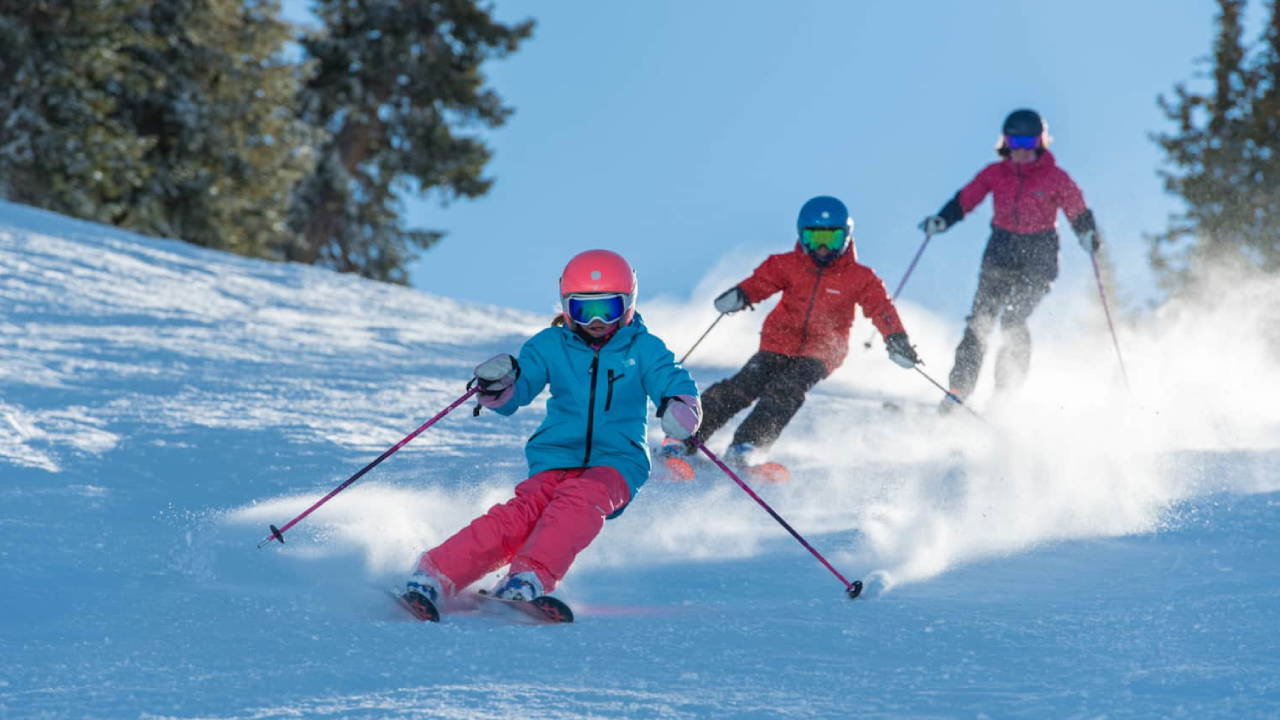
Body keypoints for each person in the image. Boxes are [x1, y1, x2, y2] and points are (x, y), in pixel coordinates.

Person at [400, 249, 701, 620]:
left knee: (580, 500)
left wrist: (681, 408)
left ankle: (528, 578)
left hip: (618, 462)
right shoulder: (549, 345)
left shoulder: (644, 348)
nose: (594, 320)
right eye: (582, 309)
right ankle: (436, 574)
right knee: (519, 516)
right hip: (556, 455)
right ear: (565, 306)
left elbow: (672, 379)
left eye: (606, 309)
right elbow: (518, 390)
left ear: (628, 306)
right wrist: (498, 385)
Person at [660, 195, 919, 470]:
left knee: (787, 389)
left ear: (845, 238)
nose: (821, 247)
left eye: (830, 239)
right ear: (801, 236)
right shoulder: (787, 264)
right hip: (777, 341)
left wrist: (896, 339)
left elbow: (882, 309)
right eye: (813, 237)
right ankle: (685, 434)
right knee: (743, 385)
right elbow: (761, 282)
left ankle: (748, 444)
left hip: (822, 351)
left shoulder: (860, 277)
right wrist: (741, 295)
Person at [918, 109, 1101, 412]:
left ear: (1041, 141)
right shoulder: (994, 173)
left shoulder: (1055, 177)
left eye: (1029, 140)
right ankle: (959, 389)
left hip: (1039, 254)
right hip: (1001, 250)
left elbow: (1076, 208)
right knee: (980, 320)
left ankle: (1005, 393)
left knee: (1013, 318)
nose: (1021, 149)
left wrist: (1087, 232)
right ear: (1004, 141)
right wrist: (943, 220)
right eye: (1014, 140)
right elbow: (966, 198)